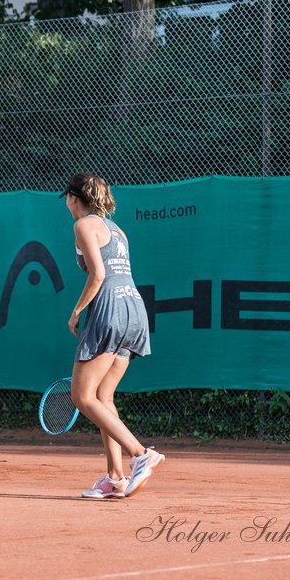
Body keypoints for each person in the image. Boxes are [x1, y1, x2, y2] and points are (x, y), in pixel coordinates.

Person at [63, 172, 165, 498]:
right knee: (104, 398)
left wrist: (77, 310)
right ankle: (115, 477)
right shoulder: (118, 230)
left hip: (108, 311)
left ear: (73, 198)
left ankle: (140, 454)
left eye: (66, 198)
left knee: (82, 396)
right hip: (134, 311)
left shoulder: (82, 226)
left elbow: (98, 275)